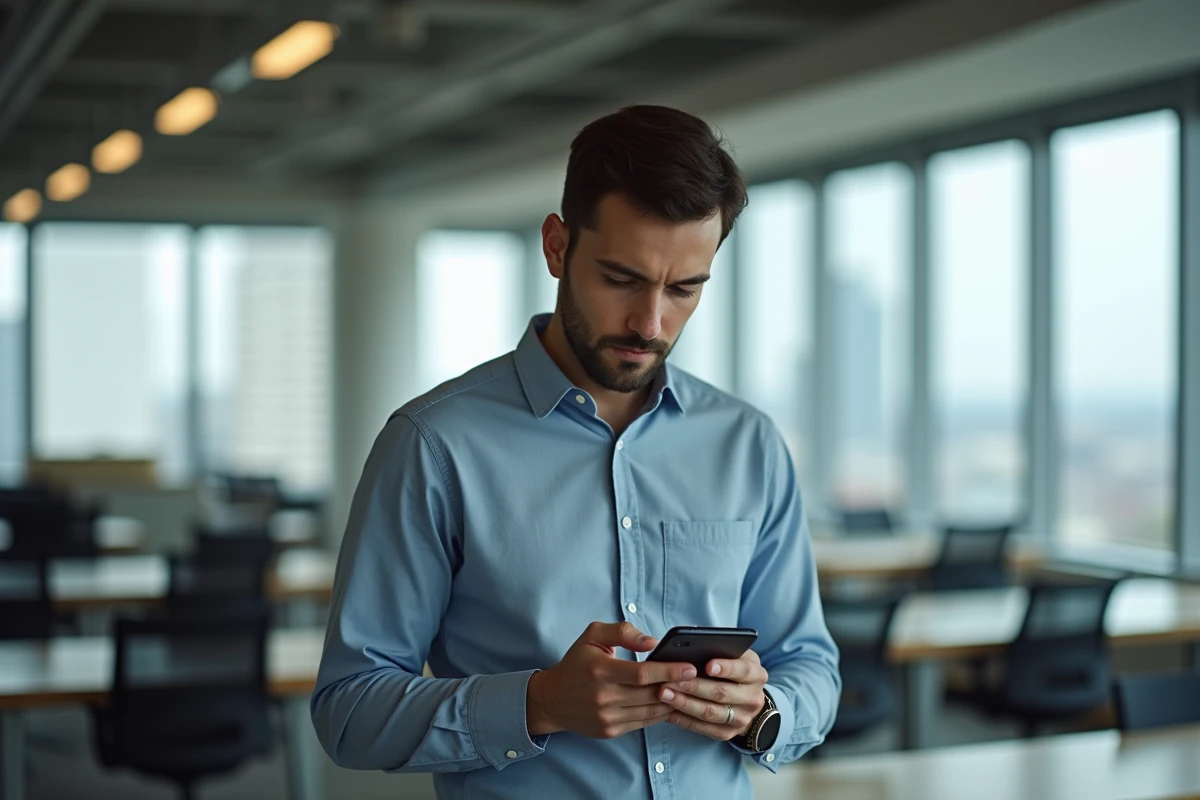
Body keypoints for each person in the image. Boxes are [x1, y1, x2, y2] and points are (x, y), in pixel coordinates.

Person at [311, 104, 840, 799]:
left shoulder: (748, 444)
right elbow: (349, 710)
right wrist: (537, 704)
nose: (650, 323)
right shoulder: (434, 445)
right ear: (558, 246)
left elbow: (809, 664)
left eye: (684, 289)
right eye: (621, 279)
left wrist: (763, 711)